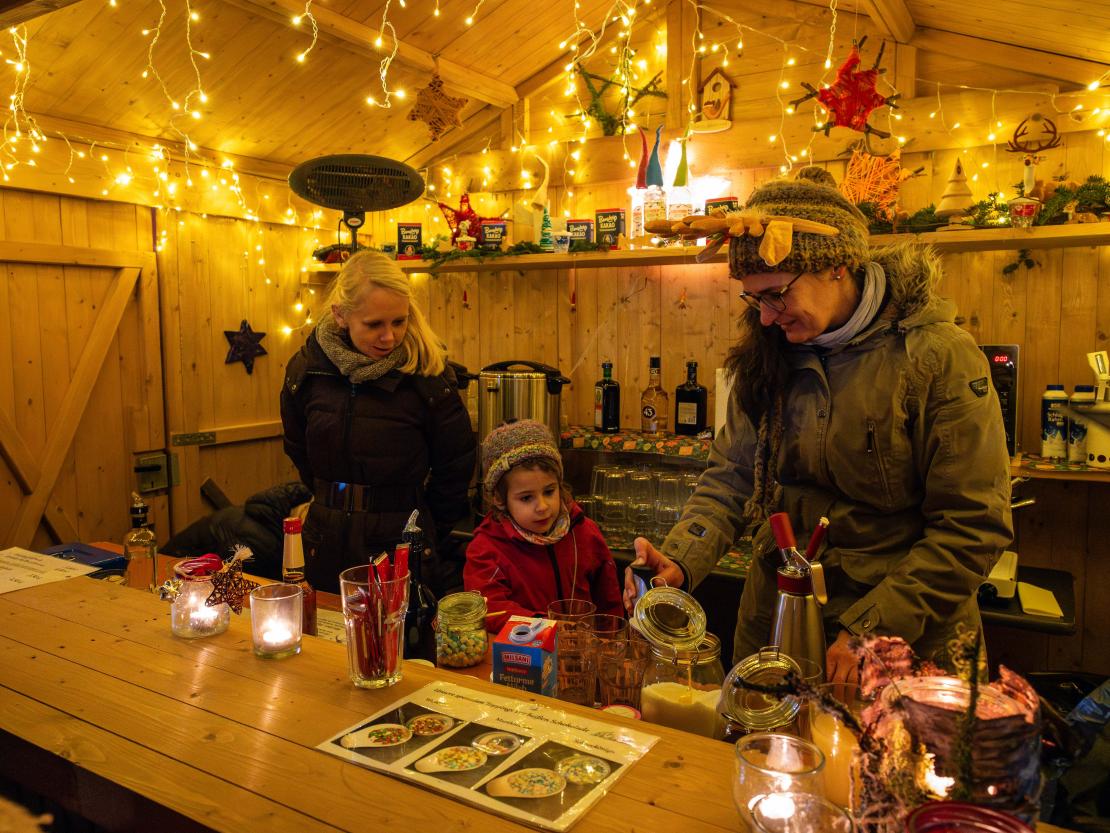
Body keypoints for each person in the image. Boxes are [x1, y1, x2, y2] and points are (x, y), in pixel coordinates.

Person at [626, 167, 1012, 683]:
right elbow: (732, 478)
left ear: (837, 267)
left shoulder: (938, 358)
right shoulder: (765, 354)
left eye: (776, 294)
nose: (766, 317)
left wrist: (872, 629)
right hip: (776, 618)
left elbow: (973, 527)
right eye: (753, 298)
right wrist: (679, 558)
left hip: (904, 641)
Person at [280, 250, 476, 595]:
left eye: (399, 322)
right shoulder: (307, 370)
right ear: (341, 315)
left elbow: (455, 468)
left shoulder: (428, 376)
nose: (389, 337)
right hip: (324, 540)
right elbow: (299, 449)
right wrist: (333, 502)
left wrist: (423, 528)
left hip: (401, 544)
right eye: (374, 325)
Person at [465, 419, 623, 632]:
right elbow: (489, 608)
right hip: (523, 648)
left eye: (549, 492)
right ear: (500, 499)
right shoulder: (486, 549)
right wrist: (545, 626)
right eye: (526, 498)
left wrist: (611, 638)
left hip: (585, 646)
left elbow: (609, 603)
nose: (542, 506)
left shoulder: (585, 532)